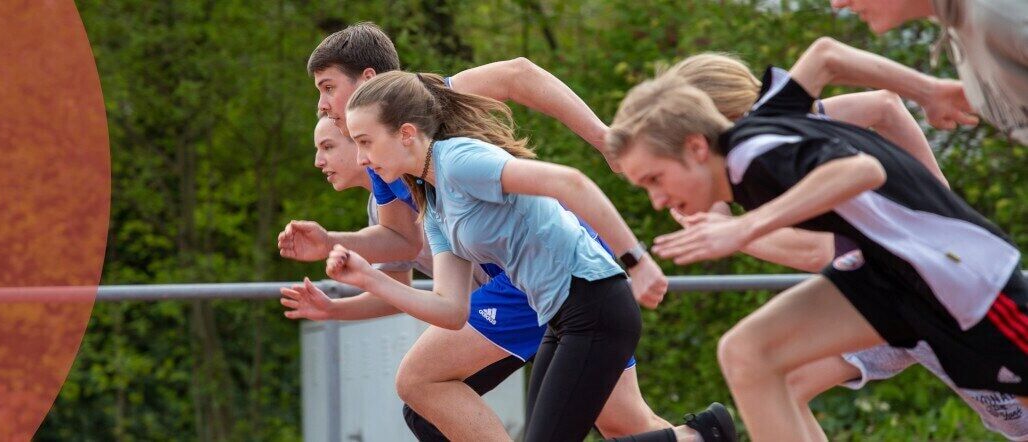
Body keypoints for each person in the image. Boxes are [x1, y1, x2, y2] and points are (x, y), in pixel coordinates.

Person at [280, 22, 733, 441]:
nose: (322, 105)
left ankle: (700, 435)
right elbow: (429, 280)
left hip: (573, 285)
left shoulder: (451, 144)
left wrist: (605, 145)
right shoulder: (428, 198)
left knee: (421, 382)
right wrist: (348, 260)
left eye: (328, 87)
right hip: (547, 297)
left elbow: (523, 83)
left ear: (399, 125)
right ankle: (696, 436)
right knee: (622, 423)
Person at [607, 62, 1028, 440]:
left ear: (697, 146)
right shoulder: (761, 133)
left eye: (655, 180)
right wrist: (928, 90)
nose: (656, 201)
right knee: (747, 352)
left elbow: (861, 170)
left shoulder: (755, 152)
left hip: (957, 284)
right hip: (885, 278)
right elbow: (825, 54)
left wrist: (744, 229)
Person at [823, 0, 1026, 144]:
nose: (838, 3)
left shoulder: (1003, 19)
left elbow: (824, 57)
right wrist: (928, 91)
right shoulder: (959, 18)